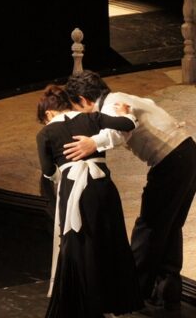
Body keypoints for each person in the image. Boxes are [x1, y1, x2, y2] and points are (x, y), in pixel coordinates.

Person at [64, 70, 196, 311]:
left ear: (82, 100)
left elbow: (119, 131)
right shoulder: (122, 97)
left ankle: (132, 292)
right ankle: (167, 291)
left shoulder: (111, 105)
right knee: (169, 225)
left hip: (171, 160)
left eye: (77, 107)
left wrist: (93, 142)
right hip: (187, 152)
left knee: (149, 227)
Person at [36, 84, 143, 318]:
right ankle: (113, 299)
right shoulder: (91, 118)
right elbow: (128, 125)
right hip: (102, 186)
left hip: (72, 187)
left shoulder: (45, 133)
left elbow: (47, 170)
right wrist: (126, 114)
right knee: (109, 238)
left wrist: (59, 174)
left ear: (48, 113)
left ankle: (82, 305)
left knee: (79, 244)